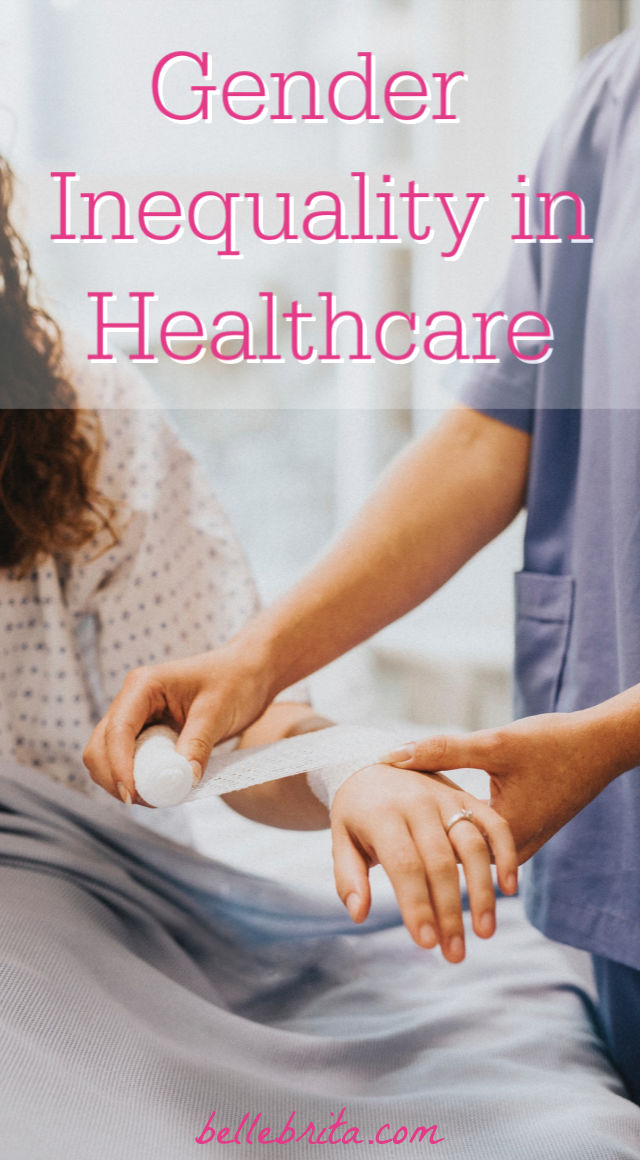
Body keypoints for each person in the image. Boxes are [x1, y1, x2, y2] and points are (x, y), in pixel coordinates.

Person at [85, 28, 640, 1103]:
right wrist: (259, 655)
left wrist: (605, 739)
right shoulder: (617, 98)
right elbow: (493, 434)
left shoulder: (103, 443)